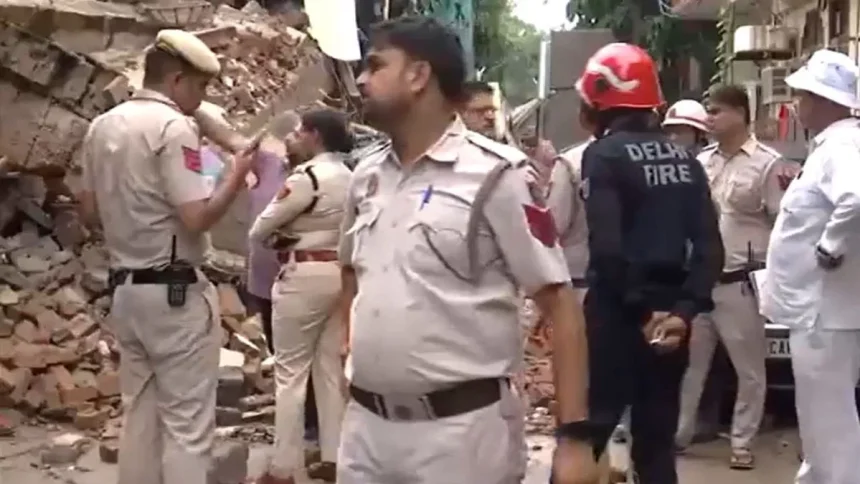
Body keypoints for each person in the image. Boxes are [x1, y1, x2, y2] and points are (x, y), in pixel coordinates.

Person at [337, 16, 596, 484]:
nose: (360, 79)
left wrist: (574, 439)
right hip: (366, 432)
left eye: (375, 66)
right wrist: (350, 353)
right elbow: (351, 274)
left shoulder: (497, 176)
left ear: (418, 76)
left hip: (460, 439)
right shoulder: (367, 177)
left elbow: (559, 306)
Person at [76, 30, 255, 484]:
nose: (203, 97)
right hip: (175, 294)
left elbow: (88, 210)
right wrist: (236, 176)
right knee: (188, 427)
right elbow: (196, 218)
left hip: (127, 291)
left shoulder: (103, 125)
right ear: (177, 80)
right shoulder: (175, 128)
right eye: (200, 87)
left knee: (140, 417)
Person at [574, 42, 724, 484]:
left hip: (618, 314)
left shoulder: (603, 155)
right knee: (656, 442)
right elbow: (710, 248)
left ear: (601, 98)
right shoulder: (688, 161)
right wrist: (681, 314)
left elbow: (607, 248)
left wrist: (641, 312)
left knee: (593, 430)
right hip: (673, 324)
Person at [675, 85, 800, 469]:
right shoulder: (702, 162)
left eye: (716, 111)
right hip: (699, 283)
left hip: (740, 283)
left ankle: (742, 442)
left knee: (749, 370)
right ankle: (678, 435)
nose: (709, 118)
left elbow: (783, 222)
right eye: (708, 111)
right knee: (689, 367)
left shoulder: (767, 164)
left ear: (740, 114)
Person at [760, 48, 860, 484]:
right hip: (817, 309)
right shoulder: (831, 147)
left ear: (821, 100)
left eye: (801, 96)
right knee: (819, 417)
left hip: (824, 309)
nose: (796, 105)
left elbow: (855, 198)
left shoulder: (842, 146)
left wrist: (830, 247)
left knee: (829, 419)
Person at [250, 108, 353, 484]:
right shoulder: (349, 176)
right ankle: (333, 457)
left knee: (290, 373)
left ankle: (282, 467)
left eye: (298, 132)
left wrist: (282, 238)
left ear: (314, 136)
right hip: (339, 274)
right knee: (328, 370)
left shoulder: (307, 177)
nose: (292, 138)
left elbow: (260, 230)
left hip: (303, 274)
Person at [246, 110, 300, 353]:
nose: (291, 140)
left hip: (301, 282)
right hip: (264, 278)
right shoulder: (270, 165)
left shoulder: (321, 177)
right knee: (276, 347)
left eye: (298, 135)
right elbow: (237, 148)